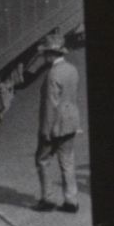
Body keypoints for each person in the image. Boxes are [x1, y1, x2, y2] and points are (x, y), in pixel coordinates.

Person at [32, 32, 80, 214]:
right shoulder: (72, 69)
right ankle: (71, 201)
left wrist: (45, 130)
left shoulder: (52, 74)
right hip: (71, 121)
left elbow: (50, 105)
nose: (44, 57)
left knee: (42, 160)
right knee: (67, 161)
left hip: (54, 125)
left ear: (51, 54)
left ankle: (48, 199)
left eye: (45, 54)